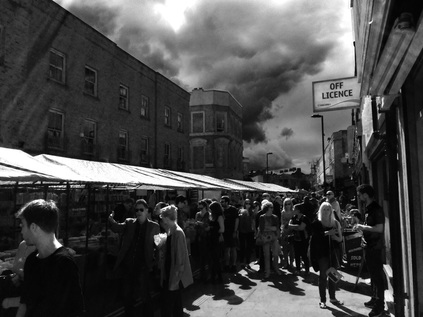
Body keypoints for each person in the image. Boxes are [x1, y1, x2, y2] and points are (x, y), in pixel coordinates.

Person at [15, 199, 84, 317]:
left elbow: (73, 310)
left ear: (33, 227)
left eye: (23, 226)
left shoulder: (64, 264)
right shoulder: (31, 260)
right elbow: (24, 303)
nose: (21, 231)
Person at [108, 199, 160, 317]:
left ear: (147, 210)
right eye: (136, 210)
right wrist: (111, 218)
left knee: (144, 294)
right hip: (129, 264)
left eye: (141, 209)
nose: (138, 212)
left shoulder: (154, 226)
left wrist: (155, 263)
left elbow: (159, 247)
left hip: (143, 265)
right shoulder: (129, 222)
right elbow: (117, 227)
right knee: (127, 294)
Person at [354, 184, 385, 317]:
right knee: (373, 274)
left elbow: (379, 228)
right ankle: (375, 298)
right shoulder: (368, 208)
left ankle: (380, 305)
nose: (359, 197)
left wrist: (362, 226)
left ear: (365, 194)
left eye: (360, 194)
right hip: (369, 246)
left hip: (375, 247)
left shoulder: (376, 209)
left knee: (377, 276)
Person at [158, 205, 193, 317]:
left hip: (173, 275)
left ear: (167, 218)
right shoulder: (170, 231)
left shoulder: (177, 233)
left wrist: (175, 279)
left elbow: (179, 259)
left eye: (162, 218)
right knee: (176, 305)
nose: (162, 220)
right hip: (170, 272)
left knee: (168, 306)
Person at [309, 202, 343, 309]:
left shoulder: (336, 223)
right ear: (320, 211)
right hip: (322, 253)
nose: (326, 211)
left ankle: (333, 297)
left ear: (331, 211)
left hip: (333, 252)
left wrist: (335, 237)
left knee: (333, 275)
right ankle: (322, 300)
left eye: (328, 209)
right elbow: (315, 237)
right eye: (324, 209)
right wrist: (327, 233)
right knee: (323, 276)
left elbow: (340, 239)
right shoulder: (316, 223)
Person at [1, 240, 36, 313]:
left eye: (23, 227)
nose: (22, 231)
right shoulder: (23, 244)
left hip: (25, 293)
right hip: (17, 285)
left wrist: (9, 302)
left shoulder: (42, 249)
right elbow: (15, 268)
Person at [258, 201, 281, 278]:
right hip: (265, 237)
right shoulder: (262, 217)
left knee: (275, 254)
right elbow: (261, 229)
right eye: (270, 207)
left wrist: (268, 228)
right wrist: (271, 228)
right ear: (266, 208)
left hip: (274, 237)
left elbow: (276, 228)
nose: (272, 209)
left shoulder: (275, 217)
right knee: (267, 255)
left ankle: (276, 268)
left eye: (272, 207)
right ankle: (267, 271)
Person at [288, 204, 310, 275]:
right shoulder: (294, 217)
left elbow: (301, 228)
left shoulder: (304, 218)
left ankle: (307, 269)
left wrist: (294, 227)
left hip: (304, 239)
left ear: (298, 210)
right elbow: (289, 225)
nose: (293, 210)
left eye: (294, 209)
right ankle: (298, 269)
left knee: (304, 254)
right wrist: (297, 226)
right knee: (296, 254)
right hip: (295, 238)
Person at [220, 196, 239, 273]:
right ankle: (227, 265)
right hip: (224, 232)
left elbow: (237, 220)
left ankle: (234, 265)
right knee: (226, 249)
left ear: (227, 202)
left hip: (232, 231)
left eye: (223, 201)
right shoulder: (221, 210)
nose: (221, 203)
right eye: (221, 201)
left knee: (233, 248)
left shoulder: (233, 209)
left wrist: (235, 230)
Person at [194, 200, 211, 282]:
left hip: (206, 237)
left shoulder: (208, 214)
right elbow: (195, 224)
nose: (200, 209)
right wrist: (195, 224)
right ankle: (201, 273)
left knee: (206, 256)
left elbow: (209, 226)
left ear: (205, 207)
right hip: (199, 236)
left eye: (201, 207)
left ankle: (207, 274)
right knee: (201, 257)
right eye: (199, 207)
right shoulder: (197, 214)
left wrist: (202, 224)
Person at [208, 201, 225, 282]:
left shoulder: (219, 217)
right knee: (213, 258)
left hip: (216, 238)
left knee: (216, 258)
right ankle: (214, 276)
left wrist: (211, 228)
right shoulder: (213, 216)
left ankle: (218, 277)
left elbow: (222, 229)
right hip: (211, 238)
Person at [238, 199, 255, 269]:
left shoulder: (252, 212)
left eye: (249, 203)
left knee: (249, 247)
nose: (248, 204)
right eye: (246, 203)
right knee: (242, 247)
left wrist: (255, 230)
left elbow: (253, 221)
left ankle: (247, 262)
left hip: (250, 231)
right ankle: (242, 262)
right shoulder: (241, 210)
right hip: (242, 231)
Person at [280, 198, 295, 269]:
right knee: (285, 249)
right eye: (286, 204)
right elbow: (282, 222)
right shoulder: (283, 212)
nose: (287, 205)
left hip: (292, 231)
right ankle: (285, 263)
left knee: (292, 249)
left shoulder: (293, 212)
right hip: (285, 231)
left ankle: (291, 263)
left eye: (289, 203)